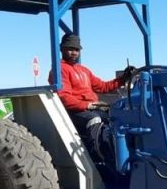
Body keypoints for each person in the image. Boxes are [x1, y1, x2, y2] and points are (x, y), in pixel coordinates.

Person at [48, 33, 132, 164]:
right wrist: (89, 105)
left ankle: (122, 154)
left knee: (117, 115)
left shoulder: (84, 70)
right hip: (74, 111)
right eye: (70, 49)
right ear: (62, 49)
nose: (74, 52)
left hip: (90, 107)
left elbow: (103, 86)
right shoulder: (59, 70)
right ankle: (99, 160)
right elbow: (64, 97)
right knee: (95, 119)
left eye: (76, 50)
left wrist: (123, 78)